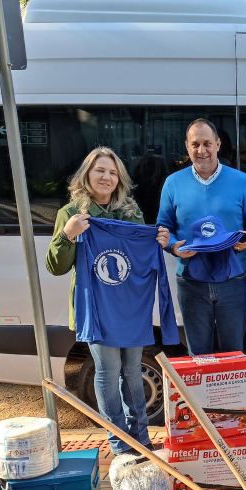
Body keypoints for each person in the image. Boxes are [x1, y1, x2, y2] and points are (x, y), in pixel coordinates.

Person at [46, 147, 170, 455]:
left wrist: (159, 242)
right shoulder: (72, 213)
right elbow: (55, 266)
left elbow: (139, 255)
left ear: (120, 179)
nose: (106, 177)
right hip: (98, 308)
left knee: (132, 370)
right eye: (100, 170)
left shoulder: (131, 211)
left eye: (113, 172)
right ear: (87, 174)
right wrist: (68, 235)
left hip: (129, 306)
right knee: (107, 370)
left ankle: (141, 438)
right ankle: (119, 442)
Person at [157, 119, 246, 356]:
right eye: (195, 144)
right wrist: (174, 247)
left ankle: (231, 395)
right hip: (190, 283)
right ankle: (201, 396)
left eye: (207, 143)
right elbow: (163, 228)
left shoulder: (241, 181)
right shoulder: (172, 183)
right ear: (187, 147)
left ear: (218, 144)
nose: (202, 150)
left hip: (233, 281)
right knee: (198, 355)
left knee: (234, 354)